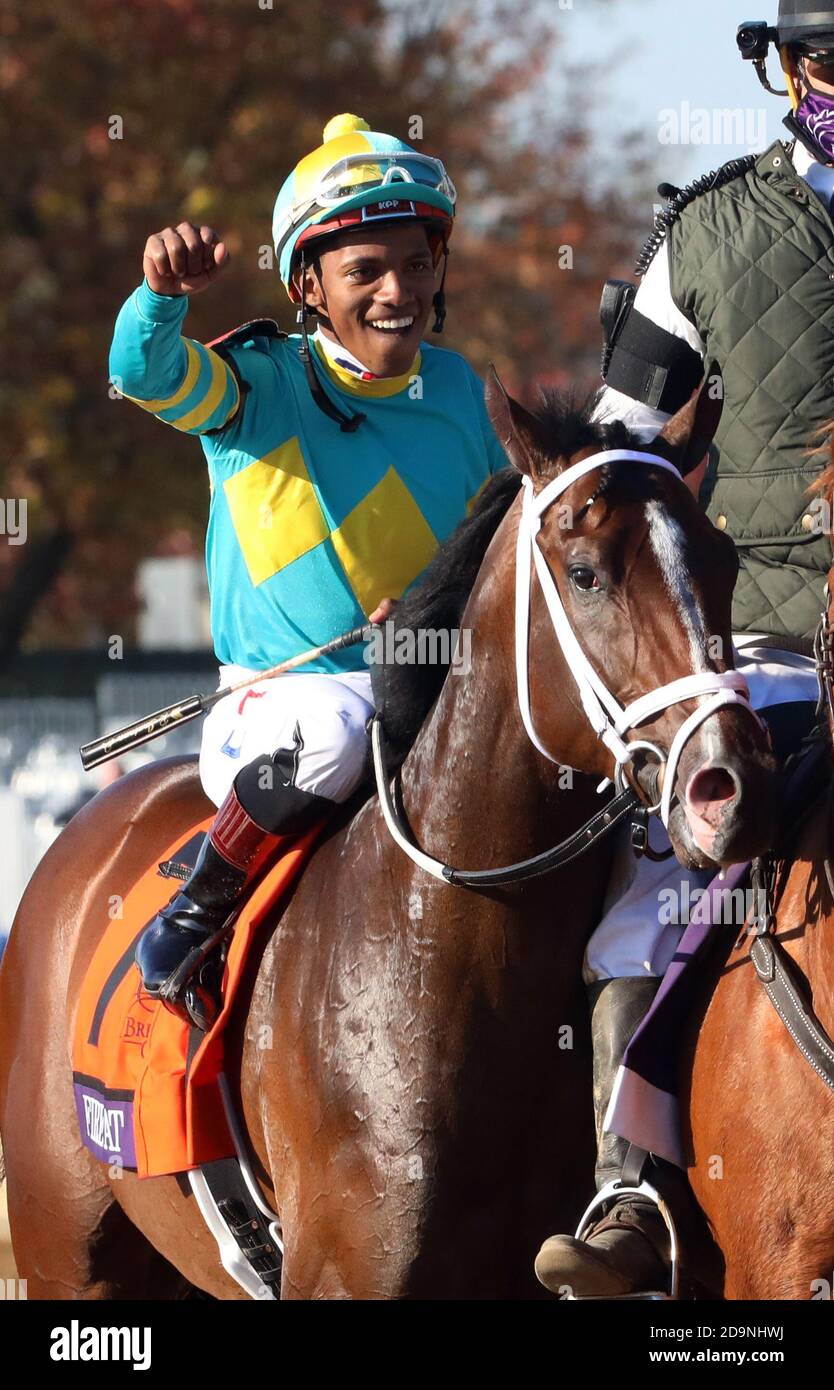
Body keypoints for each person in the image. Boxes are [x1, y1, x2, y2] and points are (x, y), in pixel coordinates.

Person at [535, 2, 834, 1298]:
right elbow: (619, 452)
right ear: (779, 70)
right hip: (759, 639)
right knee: (668, 886)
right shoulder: (704, 232)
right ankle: (636, 1192)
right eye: (828, 60)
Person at [108, 113, 507, 1030]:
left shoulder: (460, 393)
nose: (396, 290)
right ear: (308, 286)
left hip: (432, 697)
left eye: (415, 263)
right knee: (338, 723)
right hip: (282, 710)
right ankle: (196, 910)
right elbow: (142, 372)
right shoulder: (254, 385)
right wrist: (160, 298)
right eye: (364, 271)